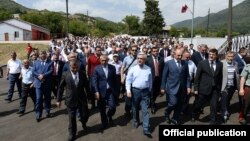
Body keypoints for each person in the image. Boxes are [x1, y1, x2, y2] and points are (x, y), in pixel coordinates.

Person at [57, 60, 89, 141]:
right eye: (73, 68)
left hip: (81, 98)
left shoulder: (82, 73)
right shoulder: (65, 74)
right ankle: (72, 133)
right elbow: (60, 87)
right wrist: (58, 99)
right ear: (70, 67)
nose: (75, 70)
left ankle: (83, 122)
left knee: (85, 114)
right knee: (72, 118)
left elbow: (87, 86)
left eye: (76, 68)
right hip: (70, 99)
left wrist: (90, 96)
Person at [192, 48, 223, 125]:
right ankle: (194, 112)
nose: (211, 56)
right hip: (203, 89)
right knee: (199, 104)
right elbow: (197, 77)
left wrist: (220, 90)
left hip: (215, 89)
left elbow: (220, 77)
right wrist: (196, 88)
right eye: (210, 54)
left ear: (216, 55)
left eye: (213, 54)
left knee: (214, 106)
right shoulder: (202, 63)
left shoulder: (220, 64)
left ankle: (213, 121)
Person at [160, 49, 191, 125]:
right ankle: (167, 111)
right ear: (174, 55)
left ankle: (175, 118)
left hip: (182, 88)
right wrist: (162, 87)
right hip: (171, 87)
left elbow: (187, 76)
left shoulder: (185, 63)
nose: (180, 57)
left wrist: (188, 86)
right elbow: (164, 76)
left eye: (181, 55)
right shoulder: (168, 63)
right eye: (178, 55)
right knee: (173, 103)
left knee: (179, 104)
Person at [126, 53, 152, 137]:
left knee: (145, 110)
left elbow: (150, 81)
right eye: (138, 58)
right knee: (135, 108)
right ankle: (136, 121)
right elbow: (128, 81)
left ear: (145, 60)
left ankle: (146, 128)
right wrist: (128, 90)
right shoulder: (133, 69)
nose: (139, 60)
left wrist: (149, 90)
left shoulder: (148, 69)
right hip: (135, 91)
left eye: (141, 58)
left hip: (145, 92)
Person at [93, 54, 118, 130]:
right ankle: (104, 123)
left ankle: (109, 115)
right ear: (100, 61)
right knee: (102, 109)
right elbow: (95, 81)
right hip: (101, 92)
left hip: (110, 91)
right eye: (102, 60)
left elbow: (115, 80)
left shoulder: (112, 67)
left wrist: (117, 90)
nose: (104, 62)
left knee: (113, 106)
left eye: (105, 60)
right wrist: (96, 91)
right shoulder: (97, 68)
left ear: (108, 60)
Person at [33, 50, 53, 122]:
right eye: (41, 54)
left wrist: (43, 75)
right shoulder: (36, 62)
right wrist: (39, 76)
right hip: (38, 84)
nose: (42, 55)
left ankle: (47, 112)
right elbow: (33, 72)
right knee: (38, 99)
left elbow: (51, 71)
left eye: (43, 54)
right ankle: (38, 114)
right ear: (39, 55)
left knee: (47, 99)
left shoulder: (50, 62)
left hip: (47, 84)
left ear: (46, 55)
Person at [220, 51, 239, 123]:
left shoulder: (235, 63)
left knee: (227, 99)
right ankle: (224, 114)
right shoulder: (222, 63)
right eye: (229, 56)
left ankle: (223, 109)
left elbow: (236, 74)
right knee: (224, 99)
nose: (231, 58)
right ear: (226, 56)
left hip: (232, 85)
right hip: (224, 85)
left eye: (232, 56)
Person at [145, 47, 164, 114]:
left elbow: (163, 69)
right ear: (151, 52)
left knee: (157, 92)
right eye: (154, 51)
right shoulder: (148, 60)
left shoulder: (161, 59)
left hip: (159, 78)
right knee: (152, 92)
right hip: (151, 78)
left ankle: (152, 101)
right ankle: (153, 106)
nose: (155, 52)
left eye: (156, 51)